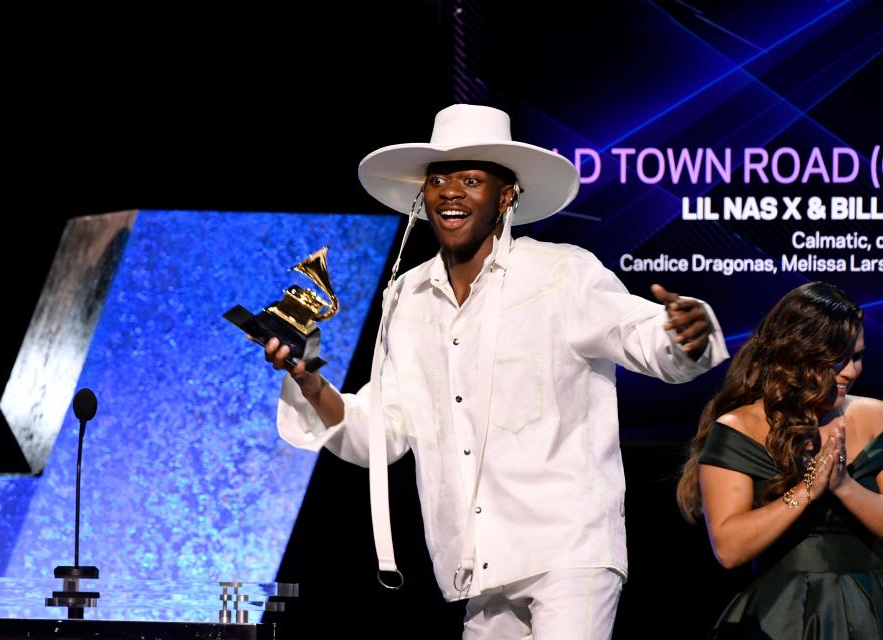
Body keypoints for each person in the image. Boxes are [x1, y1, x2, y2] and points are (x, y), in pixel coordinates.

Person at [265, 104, 729, 639]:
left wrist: (682, 333)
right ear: (423, 197)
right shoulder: (407, 297)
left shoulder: (560, 273)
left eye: (470, 179)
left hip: (568, 551)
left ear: (506, 195)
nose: (450, 192)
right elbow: (383, 431)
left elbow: (641, 334)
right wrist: (311, 382)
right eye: (437, 180)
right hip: (476, 564)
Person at [677, 282, 883, 639]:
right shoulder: (740, 427)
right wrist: (806, 491)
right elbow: (729, 547)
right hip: (780, 618)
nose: (850, 372)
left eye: (858, 356)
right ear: (798, 355)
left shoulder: (874, 417)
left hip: (872, 612)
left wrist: (844, 486)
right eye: (837, 359)